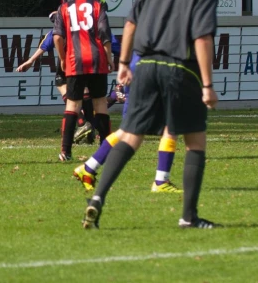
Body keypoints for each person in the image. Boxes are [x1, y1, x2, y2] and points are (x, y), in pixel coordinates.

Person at [82, 0, 220, 230]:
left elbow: (130, 23)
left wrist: (124, 63)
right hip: (180, 70)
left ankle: (97, 199)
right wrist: (208, 85)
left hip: (144, 67)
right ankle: (188, 217)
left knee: (131, 136)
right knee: (195, 141)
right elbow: (202, 37)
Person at [73, 53, 184, 194]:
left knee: (135, 130)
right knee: (162, 125)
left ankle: (89, 168)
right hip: (152, 70)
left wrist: (125, 65)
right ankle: (161, 181)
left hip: (146, 68)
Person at [53, 0, 114, 162]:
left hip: (74, 60)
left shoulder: (64, 8)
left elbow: (57, 37)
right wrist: (109, 57)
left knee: (73, 104)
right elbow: (104, 33)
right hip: (96, 59)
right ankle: (105, 150)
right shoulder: (97, 6)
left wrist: (62, 57)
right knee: (100, 103)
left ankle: (66, 151)